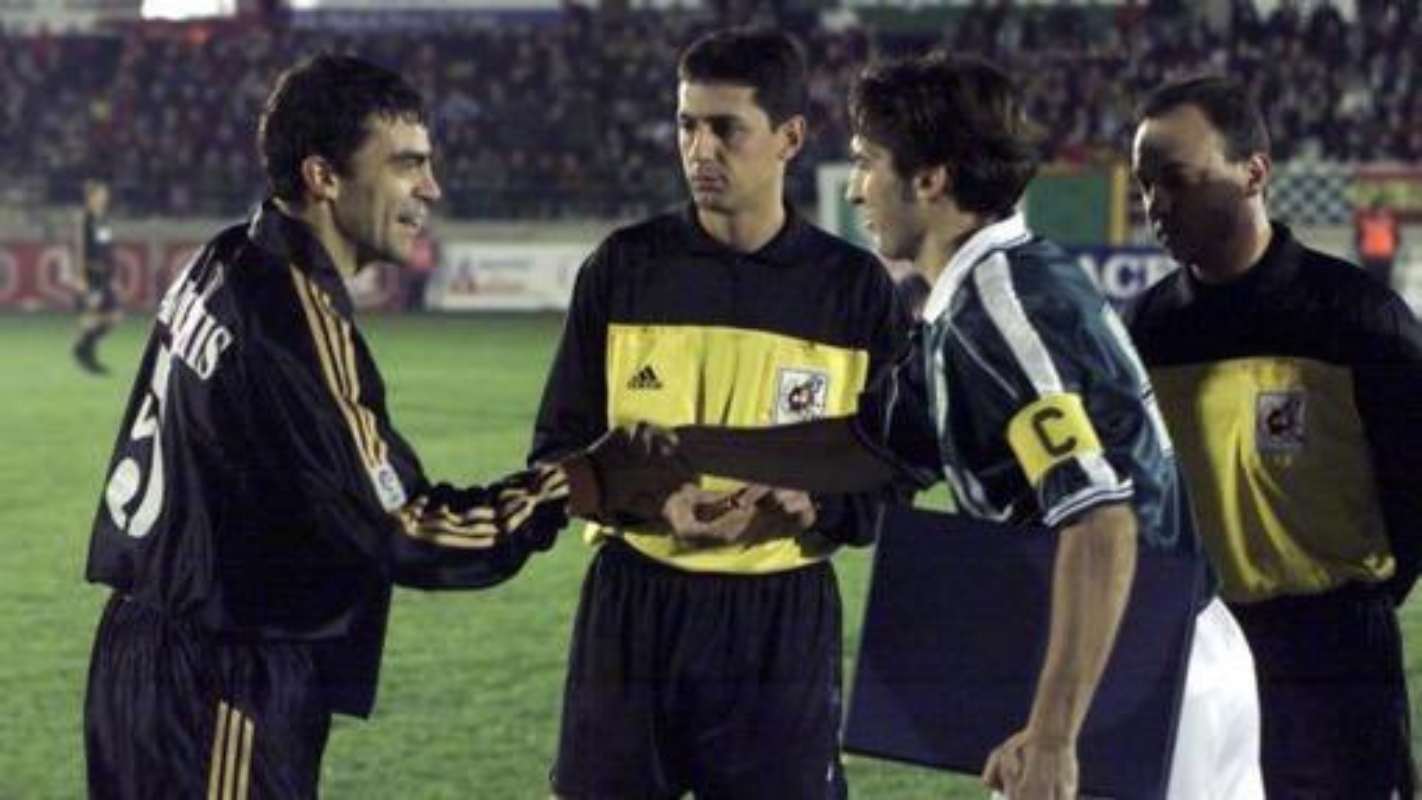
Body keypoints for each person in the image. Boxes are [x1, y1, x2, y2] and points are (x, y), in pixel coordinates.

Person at [589, 53, 1265, 799]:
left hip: (1143, 674)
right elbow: (868, 442)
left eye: (866, 163)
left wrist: (1053, 734)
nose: (853, 190)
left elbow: (1102, 523)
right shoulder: (980, 295)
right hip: (1145, 654)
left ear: (932, 179)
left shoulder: (1001, 315)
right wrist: (689, 445)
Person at [82, 54, 597, 799]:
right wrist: (566, 487)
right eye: (407, 166)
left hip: (143, 648)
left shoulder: (224, 255)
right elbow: (406, 527)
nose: (431, 188)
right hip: (225, 676)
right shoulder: (293, 317)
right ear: (324, 176)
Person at [528, 27, 907, 799]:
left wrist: (818, 506)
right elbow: (557, 448)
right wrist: (661, 502)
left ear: (789, 137)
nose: (700, 150)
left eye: (725, 128)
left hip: (779, 617)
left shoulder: (855, 291)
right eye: (686, 125)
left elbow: (893, 467)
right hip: (634, 604)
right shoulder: (623, 268)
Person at [1127, 75, 1420, 799]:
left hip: (1334, 658)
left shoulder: (1358, 317)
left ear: (1254, 170)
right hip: (1194, 647)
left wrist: (1359, 603)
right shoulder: (1143, 331)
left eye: (1176, 180)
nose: (1155, 204)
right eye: (1143, 185)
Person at [72, 177, 121, 374]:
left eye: (105, 194)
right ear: (91, 197)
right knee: (92, 315)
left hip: (105, 276)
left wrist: (113, 276)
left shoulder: (103, 219)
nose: (105, 197)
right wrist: (82, 276)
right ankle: (89, 357)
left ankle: (82, 348)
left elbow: (107, 248)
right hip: (92, 273)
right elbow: (81, 247)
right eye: (101, 194)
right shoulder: (86, 218)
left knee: (114, 317)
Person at [1354, 194, 1403, 290]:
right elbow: (1358, 237)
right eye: (1380, 209)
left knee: (1385, 280)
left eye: (1384, 209)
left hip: (1386, 255)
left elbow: (1396, 237)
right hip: (1369, 255)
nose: (1382, 212)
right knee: (1370, 279)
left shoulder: (1390, 220)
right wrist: (1360, 251)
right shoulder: (1365, 220)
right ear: (1374, 210)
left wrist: (1394, 250)